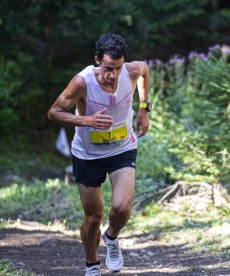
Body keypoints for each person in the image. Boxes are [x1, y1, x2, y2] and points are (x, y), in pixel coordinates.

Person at [47, 33, 151, 276]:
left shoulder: (133, 70)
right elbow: (53, 112)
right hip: (88, 154)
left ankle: (112, 238)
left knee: (122, 207)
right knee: (93, 217)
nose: (112, 75)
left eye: (117, 68)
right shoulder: (82, 82)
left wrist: (144, 108)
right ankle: (92, 265)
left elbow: (145, 71)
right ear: (97, 60)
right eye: (107, 68)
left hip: (122, 148)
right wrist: (86, 120)